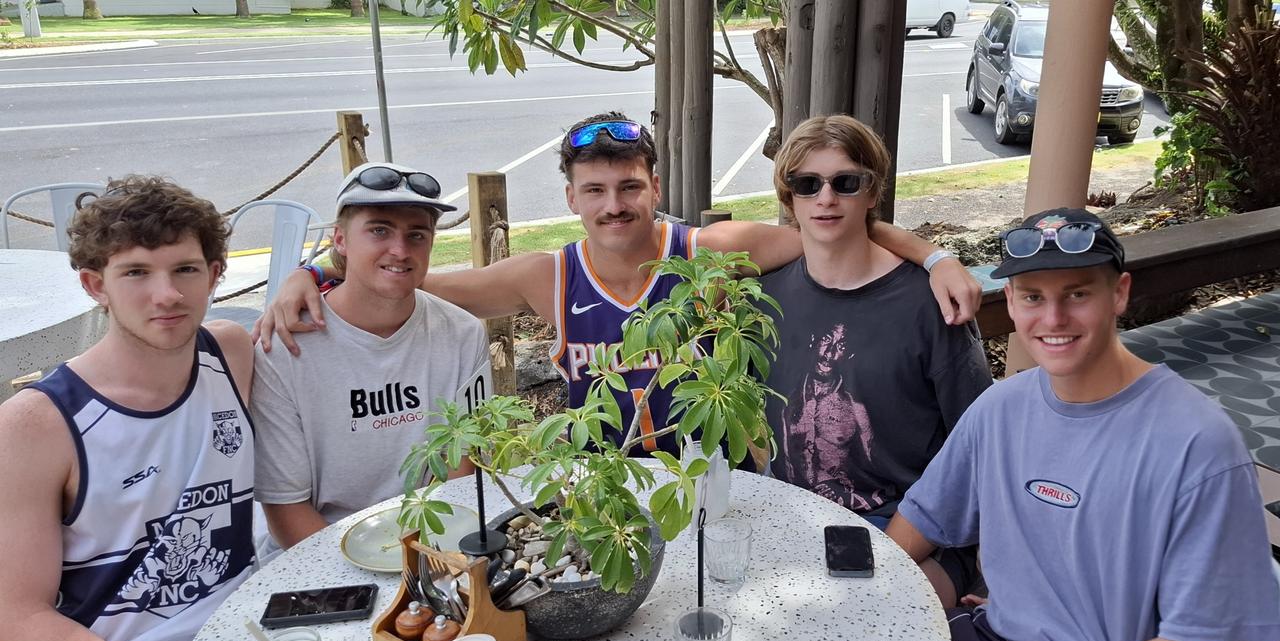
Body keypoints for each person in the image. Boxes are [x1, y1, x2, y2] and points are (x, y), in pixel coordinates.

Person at [256, 112, 981, 455]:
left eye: (629, 185)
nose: (614, 204)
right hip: (602, 497)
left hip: (711, 489)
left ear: (654, 184)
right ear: (569, 197)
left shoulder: (712, 253)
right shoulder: (546, 278)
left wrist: (935, 259)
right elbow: (410, 275)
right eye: (595, 188)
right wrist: (314, 270)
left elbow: (837, 227)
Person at [887, 207, 1280, 641]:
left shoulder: (1198, 444)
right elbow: (920, 522)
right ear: (1009, 301)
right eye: (1033, 297)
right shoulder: (1002, 409)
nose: (1053, 319)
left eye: (1077, 293)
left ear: (1119, 293)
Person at [0, 176, 256, 641]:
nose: (166, 294)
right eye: (136, 272)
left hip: (245, 640)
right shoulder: (36, 425)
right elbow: (16, 617)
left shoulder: (230, 353)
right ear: (96, 285)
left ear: (214, 275)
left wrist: (315, 272)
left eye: (185, 269)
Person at [761, 115, 992, 607]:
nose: (826, 198)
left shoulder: (932, 306)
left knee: (858, 624)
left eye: (846, 182)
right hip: (791, 515)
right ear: (790, 199)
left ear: (872, 193)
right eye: (807, 184)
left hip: (908, 528)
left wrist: (936, 259)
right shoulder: (761, 297)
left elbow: (981, 443)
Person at [251, 161, 488, 551]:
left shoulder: (462, 333)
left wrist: (424, 563)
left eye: (417, 235)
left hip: (435, 544)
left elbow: (458, 471)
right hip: (316, 554)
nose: (400, 250)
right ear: (340, 240)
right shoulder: (284, 346)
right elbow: (285, 506)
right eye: (379, 230)